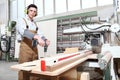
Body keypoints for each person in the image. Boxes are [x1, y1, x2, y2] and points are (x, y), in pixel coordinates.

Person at [16, 4, 50, 80]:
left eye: (34, 11)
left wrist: (45, 39)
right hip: (25, 48)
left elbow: (40, 34)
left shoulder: (34, 23)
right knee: (24, 68)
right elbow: (23, 31)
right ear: (27, 11)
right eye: (31, 10)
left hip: (34, 49)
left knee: (35, 68)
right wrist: (37, 37)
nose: (32, 13)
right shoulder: (21, 20)